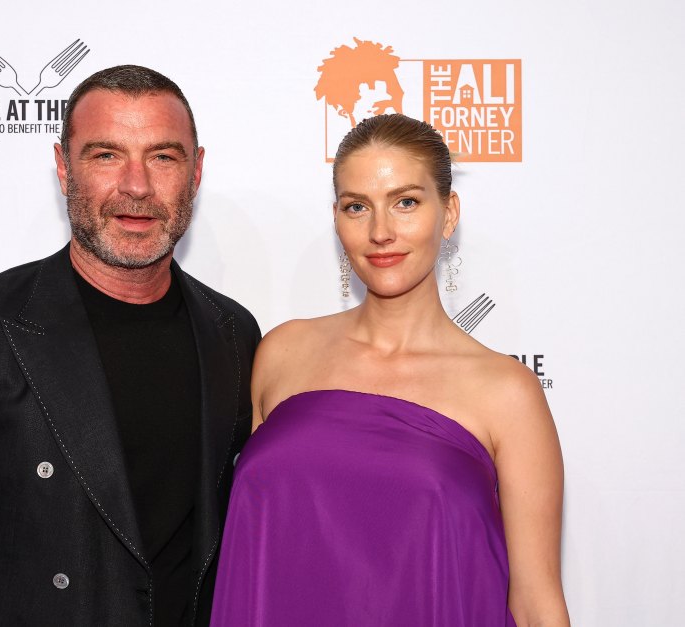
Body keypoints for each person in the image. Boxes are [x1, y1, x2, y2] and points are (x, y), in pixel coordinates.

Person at [0, 65, 260, 627]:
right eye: (106, 155)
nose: (136, 186)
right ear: (64, 167)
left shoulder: (232, 332)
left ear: (196, 170)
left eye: (163, 157)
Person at [210, 114, 569, 626]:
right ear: (337, 219)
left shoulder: (506, 392)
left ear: (449, 214)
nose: (381, 232)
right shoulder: (282, 352)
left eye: (406, 202)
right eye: (358, 207)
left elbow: (536, 605)